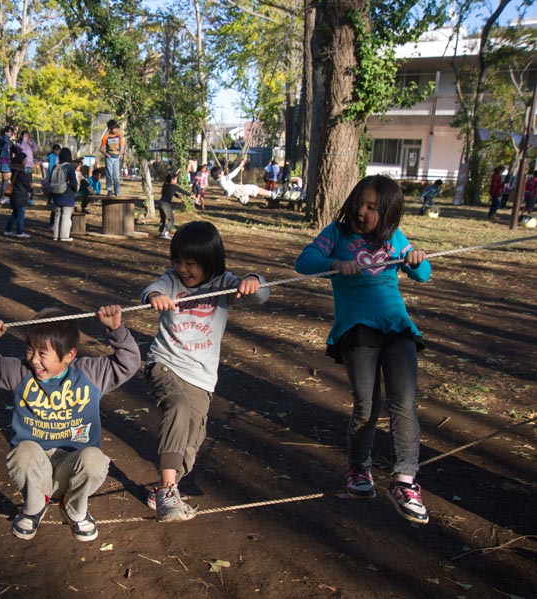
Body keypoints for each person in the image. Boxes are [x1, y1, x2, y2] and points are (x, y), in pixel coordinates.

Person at [295, 175, 432, 525]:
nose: (362, 211)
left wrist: (415, 260)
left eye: (372, 207)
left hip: (397, 328)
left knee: (404, 402)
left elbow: (423, 273)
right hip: (357, 330)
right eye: (360, 202)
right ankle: (359, 470)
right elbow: (304, 261)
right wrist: (334, 264)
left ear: (387, 213)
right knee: (366, 406)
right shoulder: (337, 234)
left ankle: (404, 480)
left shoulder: (392, 238)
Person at [0, 305, 141, 541]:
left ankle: (75, 510)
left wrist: (117, 329)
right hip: (35, 471)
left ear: (69, 355)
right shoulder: (21, 373)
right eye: (30, 350)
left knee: (95, 458)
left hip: (72, 470)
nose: (34, 360)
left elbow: (128, 363)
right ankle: (34, 508)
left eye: (43, 354)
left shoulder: (91, 374)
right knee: (23, 451)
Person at [141, 221, 270, 521]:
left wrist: (253, 279)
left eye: (191, 263)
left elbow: (260, 295)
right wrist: (154, 298)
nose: (183, 269)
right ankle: (169, 490)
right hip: (165, 363)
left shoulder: (223, 282)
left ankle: (164, 488)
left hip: (201, 376)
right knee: (177, 407)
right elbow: (152, 289)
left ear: (210, 262)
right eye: (178, 261)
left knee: (191, 443)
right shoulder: (172, 281)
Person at [51, 147, 78, 242]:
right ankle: (64, 236)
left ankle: (55, 235)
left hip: (56, 193)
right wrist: (75, 191)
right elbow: (74, 182)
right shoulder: (69, 167)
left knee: (57, 215)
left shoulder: (56, 166)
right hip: (67, 193)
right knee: (66, 215)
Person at [4, 150, 31, 238]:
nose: (26, 161)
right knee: (20, 215)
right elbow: (26, 183)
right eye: (25, 160)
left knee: (14, 214)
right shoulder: (21, 172)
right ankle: (20, 232)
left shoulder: (14, 170)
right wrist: (31, 189)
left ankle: (8, 230)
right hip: (20, 195)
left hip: (14, 195)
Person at [157, 173, 192, 240]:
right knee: (171, 219)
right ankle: (166, 233)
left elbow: (174, 193)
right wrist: (191, 195)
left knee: (163, 219)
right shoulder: (174, 186)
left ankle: (161, 233)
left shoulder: (166, 185)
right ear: (172, 180)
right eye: (176, 179)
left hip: (160, 203)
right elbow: (182, 191)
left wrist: (180, 198)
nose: (176, 180)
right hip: (165, 204)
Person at [100, 119, 125, 196]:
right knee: (109, 174)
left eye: (117, 128)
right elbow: (101, 148)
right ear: (110, 129)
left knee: (116, 176)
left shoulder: (119, 135)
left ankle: (117, 191)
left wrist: (120, 154)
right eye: (114, 128)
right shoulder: (106, 137)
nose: (116, 129)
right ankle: (109, 190)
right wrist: (107, 155)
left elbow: (122, 146)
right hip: (109, 158)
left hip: (116, 158)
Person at [17, 130, 40, 206]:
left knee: (30, 182)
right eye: (26, 135)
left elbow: (36, 149)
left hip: (29, 165)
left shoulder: (31, 142)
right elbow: (21, 148)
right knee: (22, 182)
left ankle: (31, 198)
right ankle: (23, 197)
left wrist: (31, 142)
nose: (27, 136)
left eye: (28, 135)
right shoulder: (20, 142)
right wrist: (24, 140)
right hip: (22, 165)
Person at [0, 125, 15, 204]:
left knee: (4, 180)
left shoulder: (10, 142)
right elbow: (4, 139)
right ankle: (2, 198)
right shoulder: (2, 139)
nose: (11, 134)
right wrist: (8, 137)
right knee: (6, 179)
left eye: (11, 133)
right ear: (6, 132)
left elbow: (15, 150)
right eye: (10, 132)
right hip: (3, 161)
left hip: (8, 162)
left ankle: (1, 198)